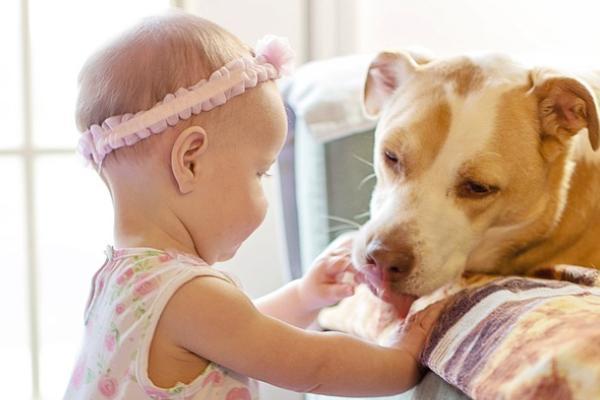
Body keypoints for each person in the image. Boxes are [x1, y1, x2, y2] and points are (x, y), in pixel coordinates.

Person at [64, 11, 446, 399]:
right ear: (190, 161)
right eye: (259, 173)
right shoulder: (189, 296)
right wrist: (403, 358)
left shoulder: (124, 277)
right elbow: (315, 365)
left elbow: (237, 335)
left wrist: (303, 297)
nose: (264, 194)